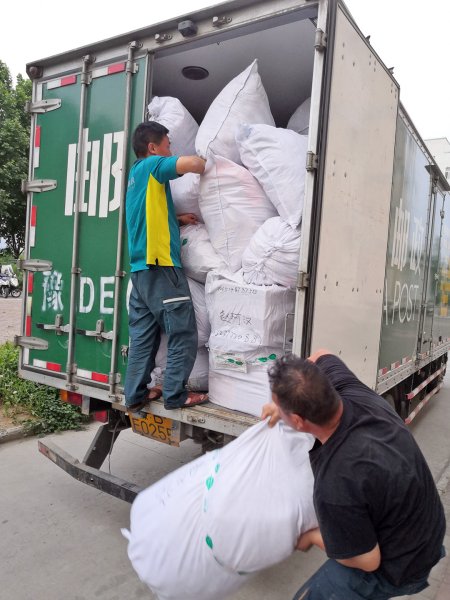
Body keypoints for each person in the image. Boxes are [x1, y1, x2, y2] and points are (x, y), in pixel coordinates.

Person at [262, 350, 446, 600]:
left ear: (298, 421)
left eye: (280, 410)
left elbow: (367, 560)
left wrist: (311, 536)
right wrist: (280, 404)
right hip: (428, 525)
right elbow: (322, 354)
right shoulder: (354, 393)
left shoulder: (336, 482)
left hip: (406, 564)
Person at [124, 121, 208, 413]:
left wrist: (177, 219)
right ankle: (175, 395)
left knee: (142, 338)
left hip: (141, 272)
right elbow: (193, 165)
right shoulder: (153, 165)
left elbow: (149, 214)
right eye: (167, 145)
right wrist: (206, 160)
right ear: (152, 148)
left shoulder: (135, 174)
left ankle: (135, 394)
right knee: (182, 331)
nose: (170, 150)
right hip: (161, 267)